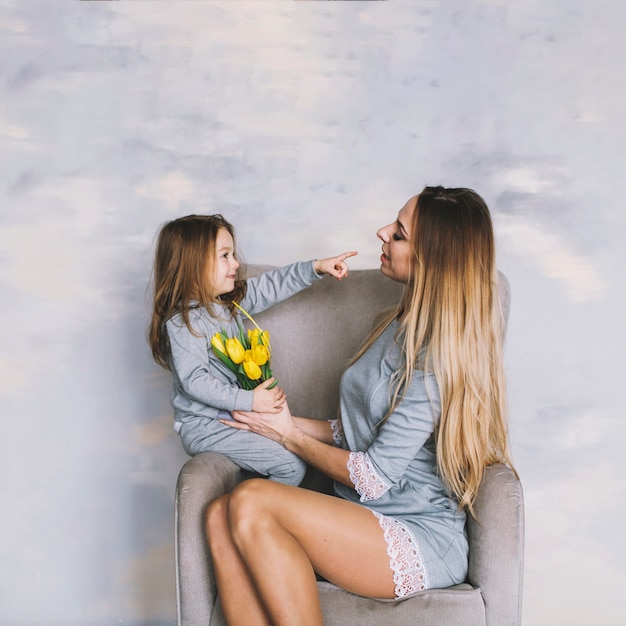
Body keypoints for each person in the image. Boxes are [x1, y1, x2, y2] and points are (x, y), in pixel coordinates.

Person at [204, 186, 517, 626]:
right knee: (219, 514)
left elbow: (373, 476)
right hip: (365, 514)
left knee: (252, 500)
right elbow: (359, 429)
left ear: (433, 259)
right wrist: (280, 421)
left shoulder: (438, 358)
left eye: (400, 234)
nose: (382, 232)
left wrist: (288, 437)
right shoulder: (397, 321)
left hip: (416, 533)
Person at [149, 213, 357, 486]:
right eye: (225, 255)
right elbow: (194, 382)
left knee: (295, 452)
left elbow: (272, 285)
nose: (236, 263)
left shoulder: (229, 305)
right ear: (193, 265)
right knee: (290, 466)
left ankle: (258, 513)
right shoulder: (183, 322)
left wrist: (315, 267)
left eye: (232, 254)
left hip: (233, 418)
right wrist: (251, 401)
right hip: (205, 426)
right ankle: (251, 519)